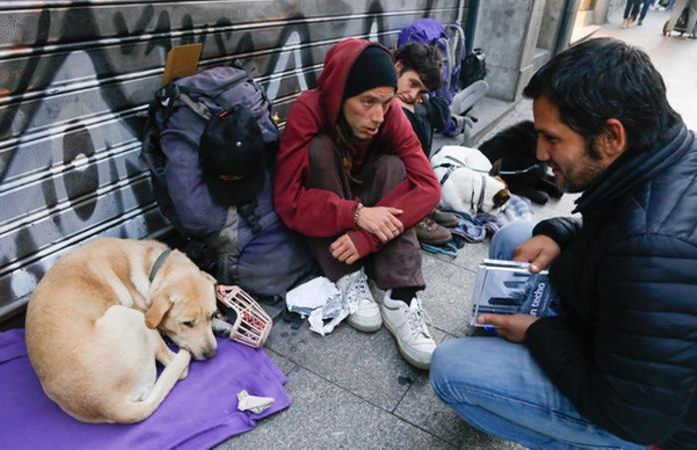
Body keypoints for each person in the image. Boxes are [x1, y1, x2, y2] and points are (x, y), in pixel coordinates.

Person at [430, 37, 697, 449]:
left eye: (553, 139)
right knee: (520, 235)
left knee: (451, 369)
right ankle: (506, 343)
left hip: (644, 423)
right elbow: (616, 228)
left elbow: (633, 415)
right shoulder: (666, 153)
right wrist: (559, 233)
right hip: (620, 333)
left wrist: (539, 333)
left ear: (611, 137)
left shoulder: (655, 250)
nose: (539, 152)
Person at [274, 38, 440, 369]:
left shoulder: (391, 114)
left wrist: (367, 236)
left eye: (385, 102)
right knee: (319, 148)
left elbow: (429, 188)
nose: (378, 115)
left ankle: (401, 294)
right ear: (340, 94)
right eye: (367, 102)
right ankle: (346, 274)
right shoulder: (308, 110)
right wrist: (356, 215)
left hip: (371, 200)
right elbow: (287, 198)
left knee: (396, 166)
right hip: (334, 201)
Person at [392, 42, 457, 245]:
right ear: (398, 67)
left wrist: (420, 104)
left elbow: (443, 114)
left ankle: (421, 203)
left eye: (421, 91)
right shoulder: (378, 90)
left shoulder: (410, 99)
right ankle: (411, 212)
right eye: (412, 83)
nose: (412, 95)